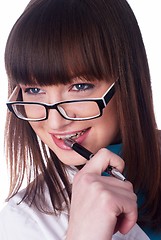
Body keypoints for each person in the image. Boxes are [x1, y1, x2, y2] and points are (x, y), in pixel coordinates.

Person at [0, 0, 160, 239]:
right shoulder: (22, 223)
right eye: (33, 90)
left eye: (79, 86)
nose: (55, 123)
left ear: (128, 82)